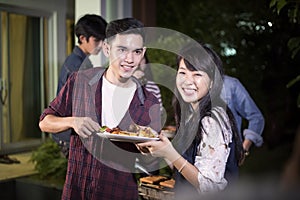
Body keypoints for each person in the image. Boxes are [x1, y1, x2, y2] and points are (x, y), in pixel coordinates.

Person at [39, 17, 161, 200]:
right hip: (76, 191)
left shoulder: (149, 101)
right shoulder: (80, 81)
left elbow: (151, 162)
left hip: (118, 192)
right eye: (122, 50)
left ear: (143, 52)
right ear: (106, 48)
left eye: (137, 51)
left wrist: (150, 148)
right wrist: (72, 121)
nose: (130, 59)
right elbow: (44, 122)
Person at [137, 42, 243, 199]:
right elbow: (184, 168)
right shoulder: (191, 115)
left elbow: (209, 186)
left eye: (197, 74)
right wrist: (160, 148)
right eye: (183, 73)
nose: (188, 81)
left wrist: (170, 153)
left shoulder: (212, 120)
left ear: (213, 81)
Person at [53, 14, 107, 157]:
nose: (101, 45)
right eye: (96, 40)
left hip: (74, 132)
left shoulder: (82, 61)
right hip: (72, 135)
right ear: (83, 38)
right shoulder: (77, 65)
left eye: (103, 40)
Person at [221, 75, 265, 156]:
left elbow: (256, 117)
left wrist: (244, 149)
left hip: (229, 158)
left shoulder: (230, 85)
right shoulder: (191, 86)